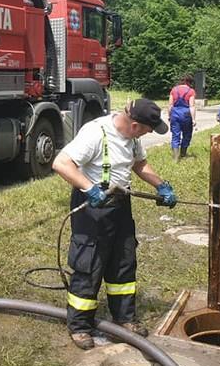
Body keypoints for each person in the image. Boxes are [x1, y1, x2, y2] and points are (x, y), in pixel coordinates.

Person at [52, 99, 178, 350]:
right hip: (93, 207)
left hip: (120, 205)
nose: (149, 133)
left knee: (123, 260)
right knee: (90, 264)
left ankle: (124, 317)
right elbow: (61, 163)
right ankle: (79, 326)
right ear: (134, 124)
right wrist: (89, 188)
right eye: (148, 130)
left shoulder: (132, 138)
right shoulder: (95, 133)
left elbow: (139, 163)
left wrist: (160, 185)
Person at [168, 74, 197, 161]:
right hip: (186, 115)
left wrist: (170, 116)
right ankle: (183, 154)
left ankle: (175, 158)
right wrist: (193, 119)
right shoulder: (191, 91)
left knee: (175, 135)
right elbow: (192, 106)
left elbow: (170, 105)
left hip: (175, 114)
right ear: (189, 82)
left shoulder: (174, 90)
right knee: (187, 134)